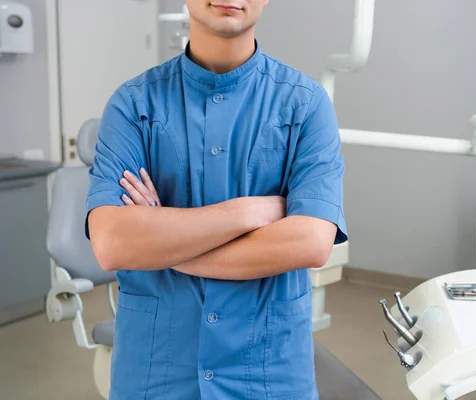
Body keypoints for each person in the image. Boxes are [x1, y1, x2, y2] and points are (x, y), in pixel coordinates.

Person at [86, 1, 347, 399]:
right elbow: (112, 244)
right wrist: (245, 212)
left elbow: (310, 243)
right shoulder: (134, 106)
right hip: (157, 373)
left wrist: (159, 237)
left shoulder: (305, 106)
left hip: (267, 374)